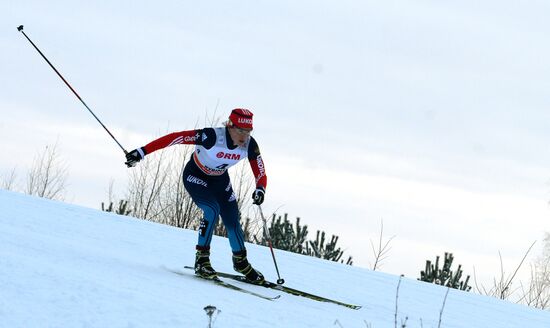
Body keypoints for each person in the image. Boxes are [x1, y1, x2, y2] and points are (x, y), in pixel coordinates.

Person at [125, 108, 267, 283]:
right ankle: (202, 260)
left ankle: (241, 263)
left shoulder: (250, 144)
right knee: (212, 210)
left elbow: (260, 170)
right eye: (240, 130)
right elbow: (175, 138)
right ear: (229, 126)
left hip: (220, 181)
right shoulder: (211, 136)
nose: (244, 136)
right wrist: (142, 152)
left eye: (248, 131)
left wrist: (260, 188)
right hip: (196, 176)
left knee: (232, 219)